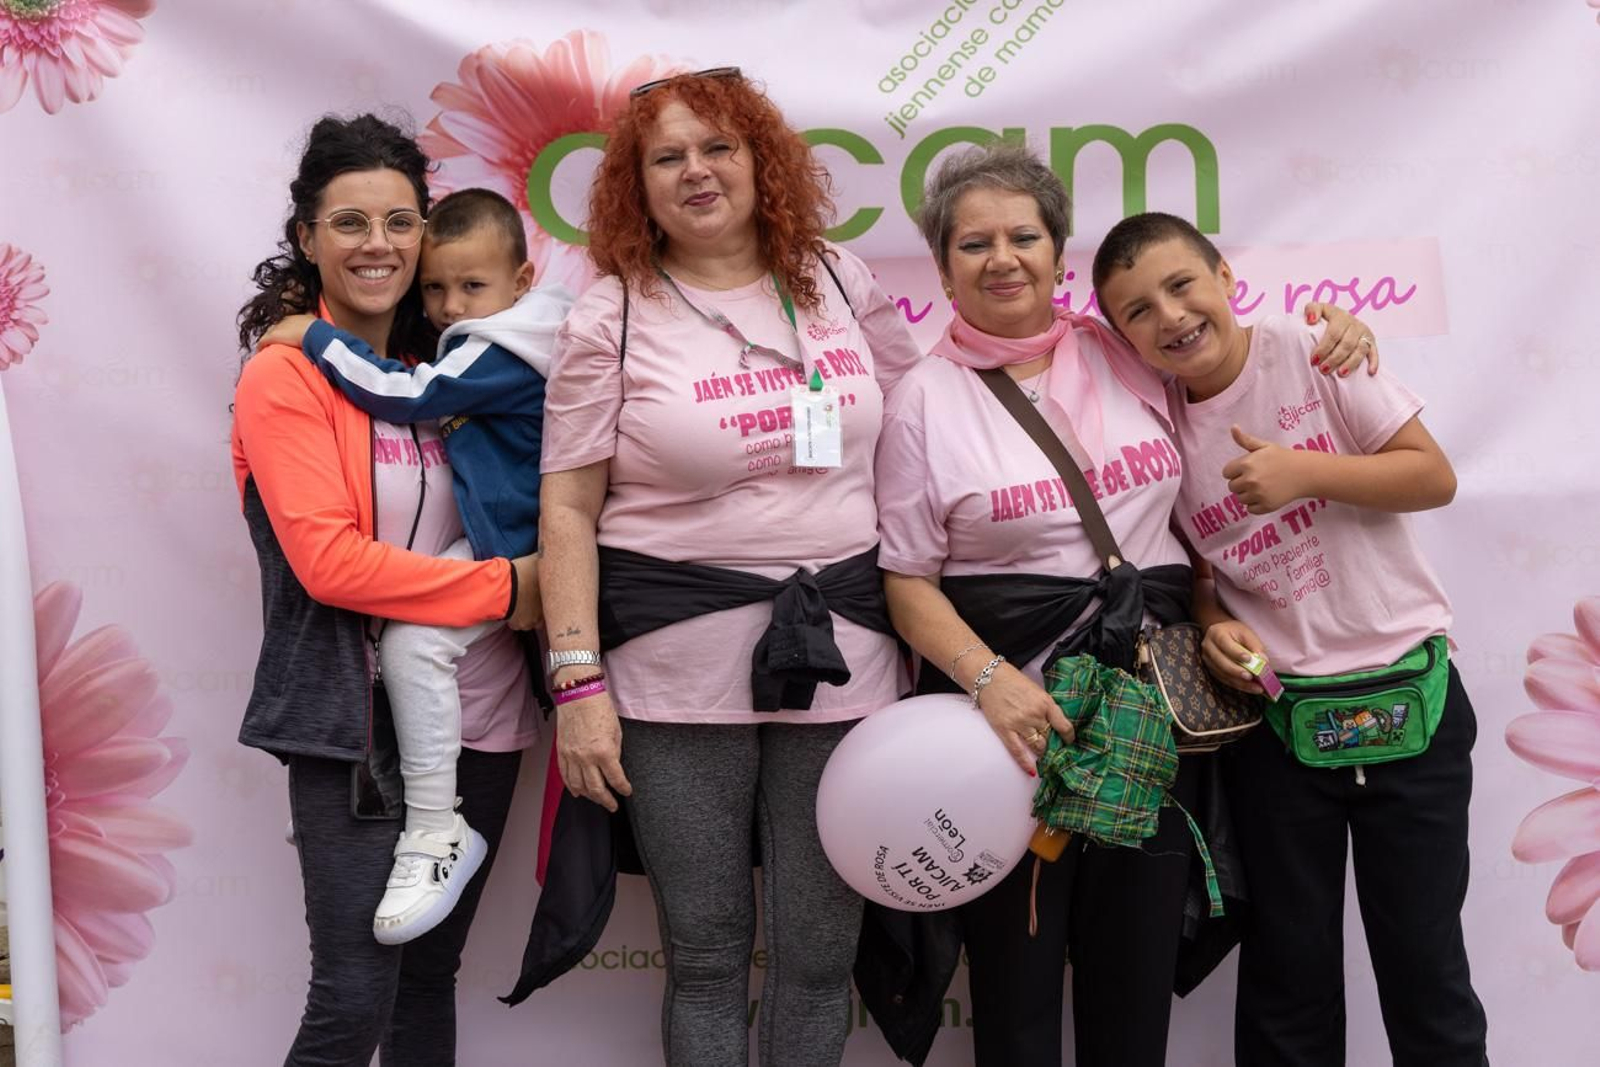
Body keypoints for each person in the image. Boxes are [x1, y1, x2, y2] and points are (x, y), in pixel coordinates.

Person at [869, 143, 1379, 1067]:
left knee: (1132, 993)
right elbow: (907, 580)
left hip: (1154, 723)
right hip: (1013, 736)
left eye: (1024, 234)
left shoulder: (1128, 352)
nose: (1002, 257)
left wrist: (1335, 331)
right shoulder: (921, 404)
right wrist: (990, 684)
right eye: (974, 242)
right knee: (1017, 1005)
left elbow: (1243, 361)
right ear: (942, 267)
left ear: (1057, 252)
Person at [535, 69, 921, 1066]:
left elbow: (924, 413)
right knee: (705, 955)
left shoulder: (839, 278)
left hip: (846, 659)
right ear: (638, 184)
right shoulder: (610, 314)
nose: (695, 172)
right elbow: (568, 510)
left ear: (762, 161)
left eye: (718, 147)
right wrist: (575, 680)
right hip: (672, 678)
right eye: (667, 156)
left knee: (817, 954)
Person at [1093, 211, 1487, 1066]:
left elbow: (1434, 476)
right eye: (1137, 310)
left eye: (1181, 284)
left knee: (1426, 968)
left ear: (1226, 278)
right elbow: (1199, 582)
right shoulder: (1155, 433)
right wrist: (1215, 626)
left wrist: (1304, 469)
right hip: (1279, 730)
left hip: (1411, 704)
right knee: (1287, 978)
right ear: (1121, 336)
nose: (1169, 316)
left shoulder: (1315, 351)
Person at [232, 113, 540, 1065]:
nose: (380, 245)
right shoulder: (286, 375)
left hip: (482, 707)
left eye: (401, 222)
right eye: (352, 222)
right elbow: (329, 567)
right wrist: (510, 588)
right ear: (306, 237)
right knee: (355, 990)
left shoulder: (441, 368)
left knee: (426, 976)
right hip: (348, 718)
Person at [259, 187, 572, 945]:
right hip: (510, 550)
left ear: (522, 283)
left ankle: (435, 829)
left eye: (472, 287)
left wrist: (314, 338)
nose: (450, 306)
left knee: (412, 643)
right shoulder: (507, 333)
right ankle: (435, 829)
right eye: (436, 287)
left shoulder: (502, 347)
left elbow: (404, 395)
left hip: (524, 550)